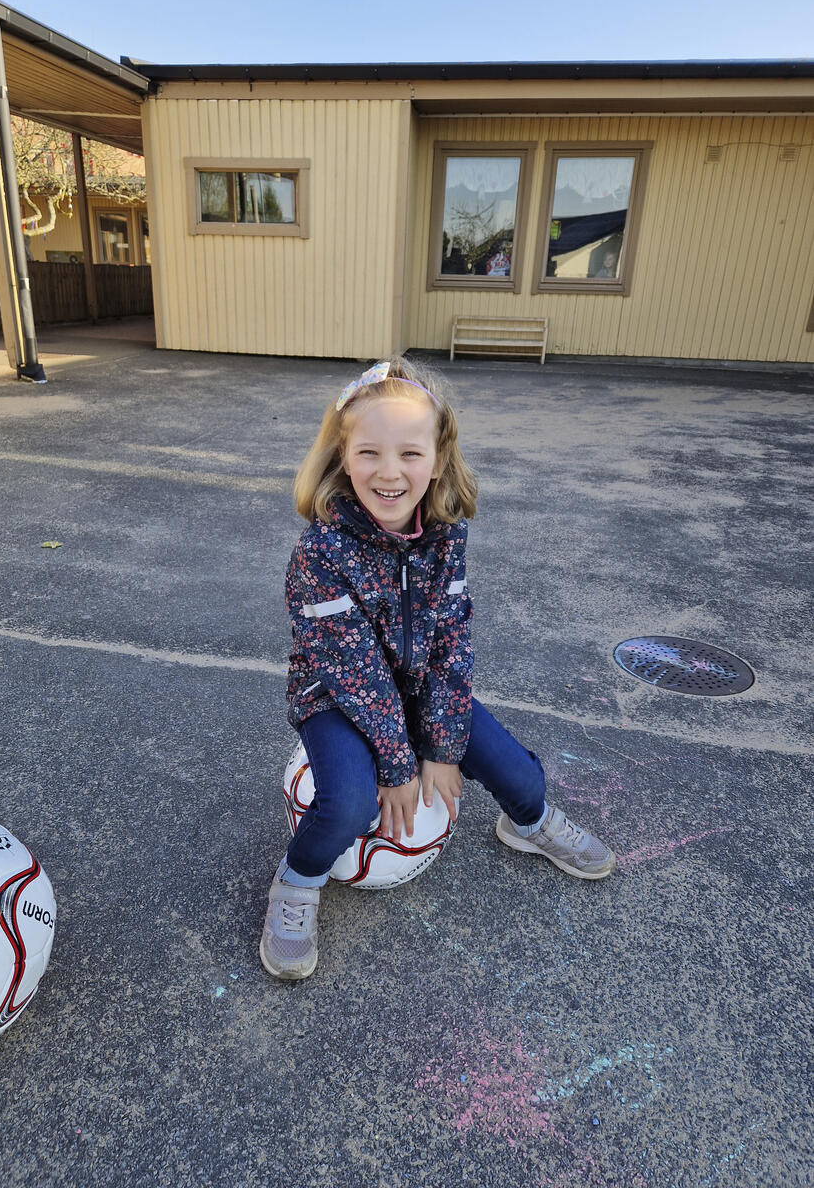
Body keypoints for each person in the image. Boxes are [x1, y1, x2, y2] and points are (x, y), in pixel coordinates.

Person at [260, 358, 615, 980]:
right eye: (369, 453)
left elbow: (452, 642)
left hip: (420, 684)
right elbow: (354, 671)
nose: (389, 472)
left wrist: (443, 748)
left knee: (520, 775)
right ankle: (298, 878)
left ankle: (529, 824)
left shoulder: (447, 535)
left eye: (410, 453)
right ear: (343, 456)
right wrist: (400, 766)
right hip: (336, 696)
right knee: (348, 803)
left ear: (438, 459)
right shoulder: (320, 551)